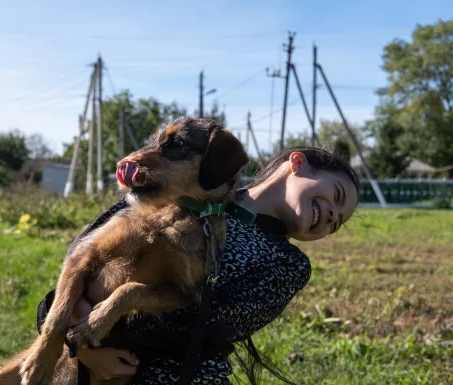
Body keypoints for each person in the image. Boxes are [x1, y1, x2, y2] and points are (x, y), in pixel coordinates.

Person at [37, 146, 360, 385]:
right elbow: (83, 255)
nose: (333, 215)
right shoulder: (185, 184)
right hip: (83, 358)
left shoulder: (288, 265)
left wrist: (85, 328)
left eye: (339, 222)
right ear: (298, 163)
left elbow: (190, 324)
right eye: (336, 195)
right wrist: (76, 335)